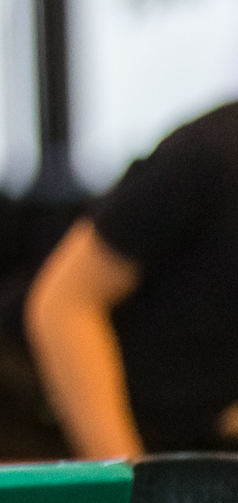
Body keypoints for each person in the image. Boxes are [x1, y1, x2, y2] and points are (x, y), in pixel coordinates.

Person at [28, 101, 238, 458]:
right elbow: (63, 304)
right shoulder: (214, 152)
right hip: (26, 410)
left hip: (172, 451)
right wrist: (131, 480)